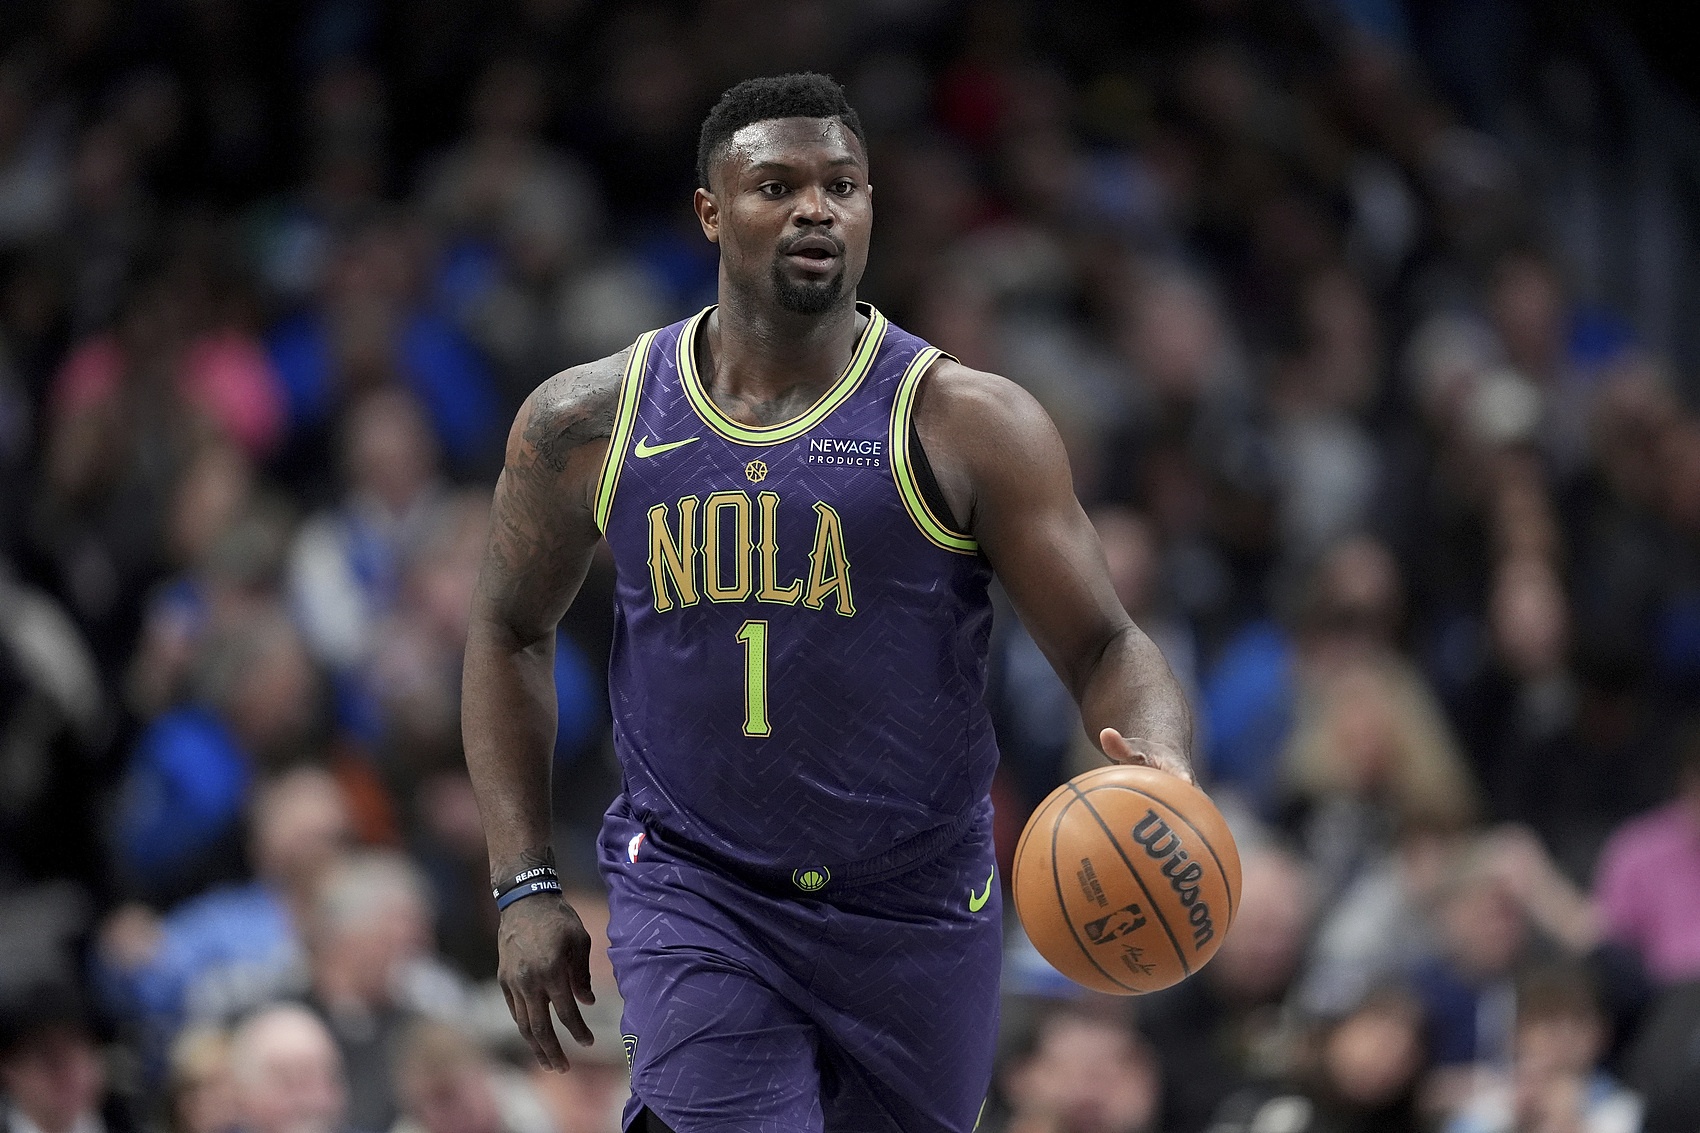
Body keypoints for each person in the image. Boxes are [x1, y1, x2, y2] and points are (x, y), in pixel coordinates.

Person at [461, 73, 1193, 1133]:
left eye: (841, 185)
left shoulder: (966, 422)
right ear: (710, 211)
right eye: (777, 185)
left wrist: (1158, 757)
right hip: (699, 889)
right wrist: (525, 879)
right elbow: (505, 628)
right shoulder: (588, 419)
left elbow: (1106, 643)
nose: (815, 208)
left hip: (917, 903)